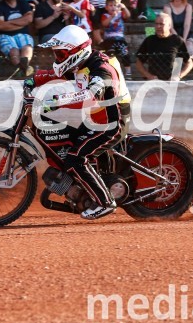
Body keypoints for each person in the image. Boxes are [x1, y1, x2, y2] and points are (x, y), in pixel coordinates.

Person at [32, 24, 131, 220]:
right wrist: (34, 80)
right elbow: (57, 74)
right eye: (57, 54)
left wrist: (55, 103)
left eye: (61, 54)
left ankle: (105, 202)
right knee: (67, 143)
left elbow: (91, 96)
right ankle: (80, 187)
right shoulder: (79, 63)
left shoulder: (102, 68)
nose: (58, 59)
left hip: (112, 123)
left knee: (76, 158)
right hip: (94, 119)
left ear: (76, 52)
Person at [0, 0, 35, 77]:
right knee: (14, 51)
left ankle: (21, 69)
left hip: (23, 34)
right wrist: (21, 22)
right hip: (4, 35)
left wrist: (8, 23)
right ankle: (25, 69)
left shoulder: (23, 3)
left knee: (27, 47)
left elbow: (29, 19)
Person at [136, 12, 193, 81]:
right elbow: (138, 63)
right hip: (154, 83)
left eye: (161, 24)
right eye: (156, 24)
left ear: (169, 26)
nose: (158, 26)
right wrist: (149, 76)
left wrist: (178, 76)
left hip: (172, 84)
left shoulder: (177, 40)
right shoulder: (149, 40)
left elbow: (189, 63)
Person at [163, 0, 193, 76]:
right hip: (173, 33)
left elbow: (187, 24)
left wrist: (183, 38)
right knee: (176, 50)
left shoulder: (188, 6)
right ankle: (177, 74)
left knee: (189, 46)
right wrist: (179, 39)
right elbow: (170, 26)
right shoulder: (167, 7)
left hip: (185, 33)